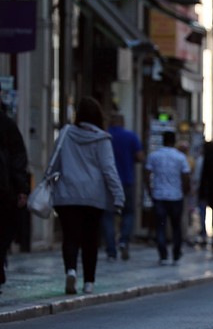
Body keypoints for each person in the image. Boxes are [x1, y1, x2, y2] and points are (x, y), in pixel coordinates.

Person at [50, 97, 124, 294]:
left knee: (70, 236)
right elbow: (109, 170)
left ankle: (71, 270)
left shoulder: (65, 133)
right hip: (93, 197)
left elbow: (54, 162)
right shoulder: (102, 139)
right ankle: (89, 282)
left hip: (67, 195)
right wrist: (119, 196)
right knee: (90, 239)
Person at [102, 112, 145, 262]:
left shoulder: (105, 136)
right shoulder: (130, 136)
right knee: (128, 213)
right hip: (126, 180)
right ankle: (123, 241)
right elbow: (140, 157)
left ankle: (111, 250)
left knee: (108, 215)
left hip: (107, 181)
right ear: (122, 122)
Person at [144, 131, 191, 266]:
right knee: (176, 226)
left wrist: (150, 190)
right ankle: (176, 253)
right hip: (176, 196)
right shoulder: (180, 157)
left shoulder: (154, 156)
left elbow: (147, 174)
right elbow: (186, 176)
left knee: (160, 226)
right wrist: (185, 190)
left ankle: (163, 255)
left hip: (159, 195)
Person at [0, 106, 29, 296]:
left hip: (4, 188)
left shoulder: (6, 124)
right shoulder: (6, 124)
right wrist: (21, 188)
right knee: (3, 231)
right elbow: (18, 158)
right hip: (3, 189)